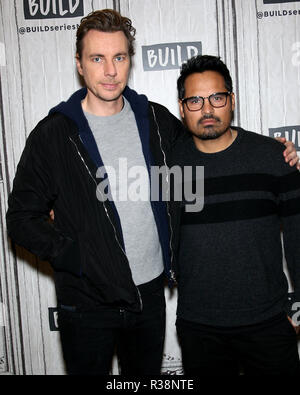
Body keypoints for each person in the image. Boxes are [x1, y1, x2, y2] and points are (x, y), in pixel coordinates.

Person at [5, 10, 298, 376]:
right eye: (97, 58)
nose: (110, 70)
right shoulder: (53, 135)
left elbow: (211, 139)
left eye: (119, 57)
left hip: (149, 300)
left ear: (130, 60)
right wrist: (76, 256)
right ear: (80, 64)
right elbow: (20, 219)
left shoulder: (157, 122)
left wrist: (280, 153)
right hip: (87, 300)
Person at [172, 55, 300, 376]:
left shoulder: (273, 157)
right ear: (182, 107)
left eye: (216, 97)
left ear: (231, 100)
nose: (207, 109)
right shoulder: (170, 168)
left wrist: (298, 311)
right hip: (199, 329)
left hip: (269, 326)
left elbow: (299, 237)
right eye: (195, 100)